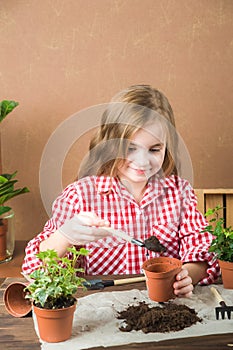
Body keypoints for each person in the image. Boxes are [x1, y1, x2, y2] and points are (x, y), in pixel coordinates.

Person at [22, 84, 220, 297]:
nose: (142, 161)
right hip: (102, 312)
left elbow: (202, 252)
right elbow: (34, 269)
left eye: (154, 149)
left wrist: (188, 275)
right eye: (130, 148)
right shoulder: (80, 196)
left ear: (167, 147)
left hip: (165, 308)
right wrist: (64, 236)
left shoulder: (179, 193)